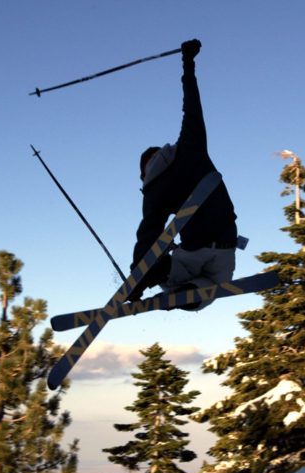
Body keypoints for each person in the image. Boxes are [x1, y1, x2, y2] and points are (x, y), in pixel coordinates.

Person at [127, 39, 238, 310]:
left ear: (144, 172)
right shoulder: (190, 144)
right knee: (214, 283)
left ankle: (169, 282)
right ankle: (185, 290)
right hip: (226, 242)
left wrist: (136, 282)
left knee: (174, 276)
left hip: (193, 250)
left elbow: (148, 237)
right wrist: (188, 63)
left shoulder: (153, 191)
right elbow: (191, 104)